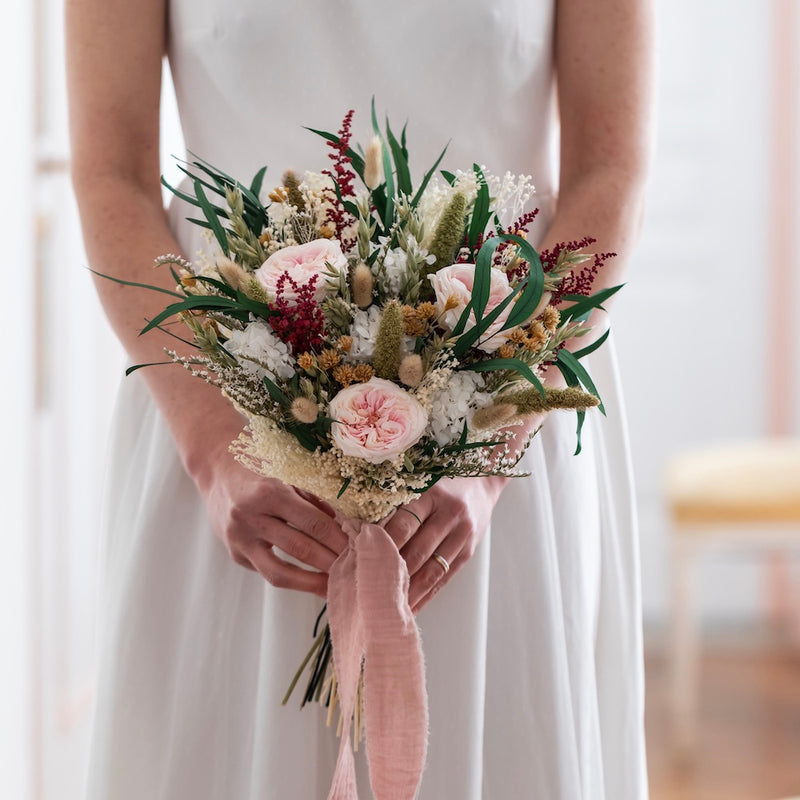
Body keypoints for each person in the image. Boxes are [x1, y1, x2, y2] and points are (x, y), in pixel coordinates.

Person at [66, 0, 654, 797]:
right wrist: (213, 446)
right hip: (217, 407)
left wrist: (489, 446)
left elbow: (610, 171)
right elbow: (111, 177)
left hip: (505, 416)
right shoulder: (213, 439)